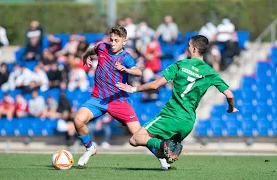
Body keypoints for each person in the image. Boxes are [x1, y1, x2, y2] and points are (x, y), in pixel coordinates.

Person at [116, 35, 239, 164]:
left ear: (195, 49)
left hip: (172, 115)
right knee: (163, 150)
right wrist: (231, 108)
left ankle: (164, 145)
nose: (187, 48)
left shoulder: (181, 64)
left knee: (135, 139)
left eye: (189, 46)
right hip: (188, 122)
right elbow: (230, 95)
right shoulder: (210, 72)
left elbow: (155, 85)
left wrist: (133, 89)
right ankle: (165, 158)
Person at [75, 25, 170, 169]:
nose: (113, 43)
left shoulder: (126, 57)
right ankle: (90, 148)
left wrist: (125, 69)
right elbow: (91, 50)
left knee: (139, 135)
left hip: (118, 101)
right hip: (98, 99)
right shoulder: (102, 47)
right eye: (111, 39)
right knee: (78, 120)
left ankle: (162, 158)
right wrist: (85, 56)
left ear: (124, 42)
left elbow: (138, 72)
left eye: (116, 40)